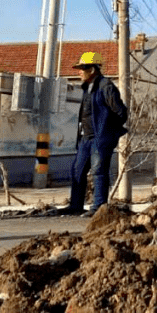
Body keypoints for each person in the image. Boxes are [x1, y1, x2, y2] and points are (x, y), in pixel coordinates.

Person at [61, 52, 128, 216]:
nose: (79, 72)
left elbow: (121, 113)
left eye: (81, 69)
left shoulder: (106, 87)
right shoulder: (87, 88)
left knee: (98, 171)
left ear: (91, 69)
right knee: (77, 170)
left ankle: (98, 208)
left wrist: (108, 132)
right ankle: (75, 206)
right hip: (86, 138)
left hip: (101, 137)